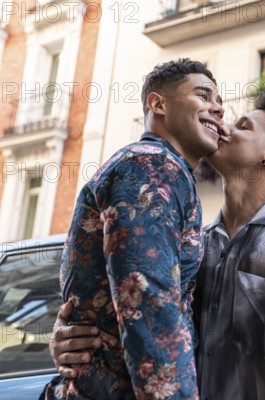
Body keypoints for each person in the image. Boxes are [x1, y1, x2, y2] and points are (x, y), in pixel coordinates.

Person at [50, 93, 265, 400]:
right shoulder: (193, 245)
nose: (223, 127)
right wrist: (69, 338)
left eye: (242, 126)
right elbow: (145, 322)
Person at [44, 58, 225, 399]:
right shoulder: (151, 165)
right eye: (204, 96)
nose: (218, 110)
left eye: (219, 103)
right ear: (158, 104)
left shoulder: (166, 170)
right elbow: (148, 299)